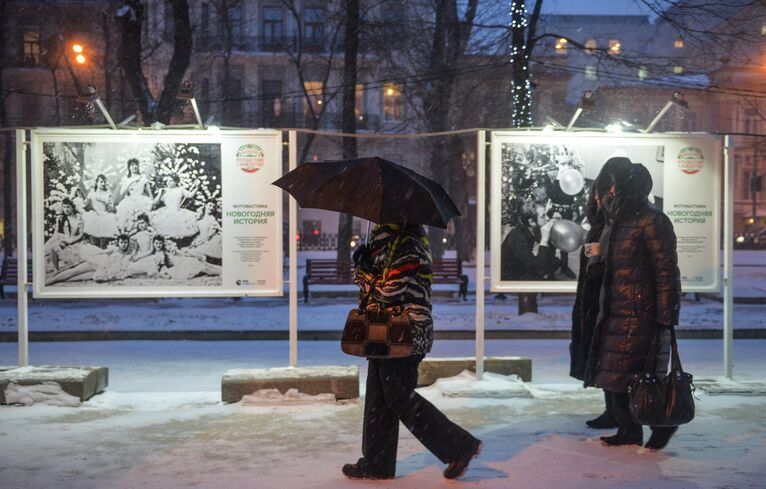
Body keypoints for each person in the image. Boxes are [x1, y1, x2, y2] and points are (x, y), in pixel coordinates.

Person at [342, 223, 482, 481]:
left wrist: (364, 271)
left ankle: (458, 446)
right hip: (382, 330)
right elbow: (373, 291)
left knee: (398, 396)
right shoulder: (383, 244)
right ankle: (376, 464)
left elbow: (389, 291)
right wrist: (367, 264)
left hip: (406, 331)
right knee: (378, 397)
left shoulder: (408, 244)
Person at [582, 158, 682, 450]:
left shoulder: (653, 220)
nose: (610, 190)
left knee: (644, 377)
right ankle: (629, 429)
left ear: (628, 186)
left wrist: (666, 313)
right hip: (615, 310)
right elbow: (607, 261)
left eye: (614, 184)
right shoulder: (617, 219)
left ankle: (664, 422)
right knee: (615, 377)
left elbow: (666, 270)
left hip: (642, 313)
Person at [569, 174, 615, 430]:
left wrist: (595, 269)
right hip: (593, 298)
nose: (598, 197)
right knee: (600, 355)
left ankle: (620, 411)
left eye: (602, 193)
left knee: (609, 356)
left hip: (602, 298)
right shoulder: (599, 224)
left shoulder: (611, 223)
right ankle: (612, 408)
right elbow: (591, 259)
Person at [500, 200, 559, 280]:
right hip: (511, 275)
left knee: (555, 261)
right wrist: (544, 240)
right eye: (543, 216)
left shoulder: (533, 229)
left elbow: (548, 257)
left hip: (524, 266)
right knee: (540, 272)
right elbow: (537, 268)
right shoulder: (518, 237)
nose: (548, 218)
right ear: (531, 222)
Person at [151, 174, 200, 243]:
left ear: (176, 182)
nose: (168, 182)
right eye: (167, 180)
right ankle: (166, 244)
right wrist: (160, 193)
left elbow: (190, 195)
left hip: (178, 212)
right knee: (166, 229)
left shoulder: (180, 189)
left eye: (171, 181)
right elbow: (155, 202)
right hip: (166, 213)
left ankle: (175, 245)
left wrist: (197, 187)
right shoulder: (164, 190)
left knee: (177, 230)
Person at [45, 198, 85, 272]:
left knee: (76, 261)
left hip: (76, 241)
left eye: (68, 207)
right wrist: (63, 240)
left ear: (73, 207)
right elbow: (56, 233)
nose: (66, 209)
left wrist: (72, 241)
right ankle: (56, 269)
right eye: (64, 207)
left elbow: (81, 234)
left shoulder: (78, 218)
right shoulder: (61, 218)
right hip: (64, 239)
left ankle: (72, 264)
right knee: (54, 247)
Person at [115, 158, 153, 233]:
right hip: (130, 201)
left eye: (136, 165)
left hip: (142, 201)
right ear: (129, 167)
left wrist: (151, 204)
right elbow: (122, 192)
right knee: (129, 221)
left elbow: (150, 194)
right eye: (132, 165)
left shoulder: (143, 178)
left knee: (143, 222)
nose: (134, 166)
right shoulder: (126, 179)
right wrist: (132, 181)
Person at [82, 174, 118, 247]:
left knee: (103, 240)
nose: (103, 184)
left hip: (105, 215)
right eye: (101, 182)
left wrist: (105, 202)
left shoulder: (108, 193)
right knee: (93, 238)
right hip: (95, 216)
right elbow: (84, 204)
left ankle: (103, 249)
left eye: (104, 182)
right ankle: (95, 251)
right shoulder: (92, 193)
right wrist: (80, 194)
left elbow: (112, 208)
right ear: (96, 182)